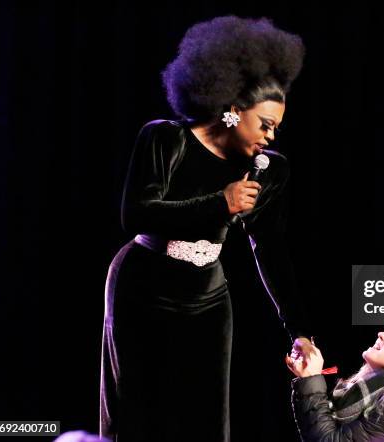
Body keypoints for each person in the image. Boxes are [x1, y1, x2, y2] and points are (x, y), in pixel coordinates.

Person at [99, 15, 314, 442]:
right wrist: (221, 203)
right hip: (144, 289)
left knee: (208, 422)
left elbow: (269, 248)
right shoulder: (166, 139)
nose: (271, 137)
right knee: (141, 415)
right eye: (265, 124)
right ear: (233, 111)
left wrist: (300, 331)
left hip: (209, 297)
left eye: (277, 127)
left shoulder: (268, 169)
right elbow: (136, 214)